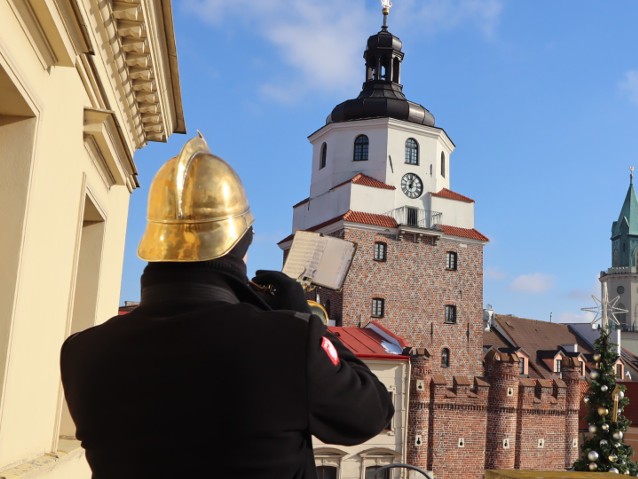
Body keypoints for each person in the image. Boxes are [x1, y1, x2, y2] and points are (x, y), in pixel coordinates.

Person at [60, 135, 393, 478]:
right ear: (239, 245)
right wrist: (307, 322)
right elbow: (372, 413)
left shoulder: (82, 351)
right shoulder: (288, 342)